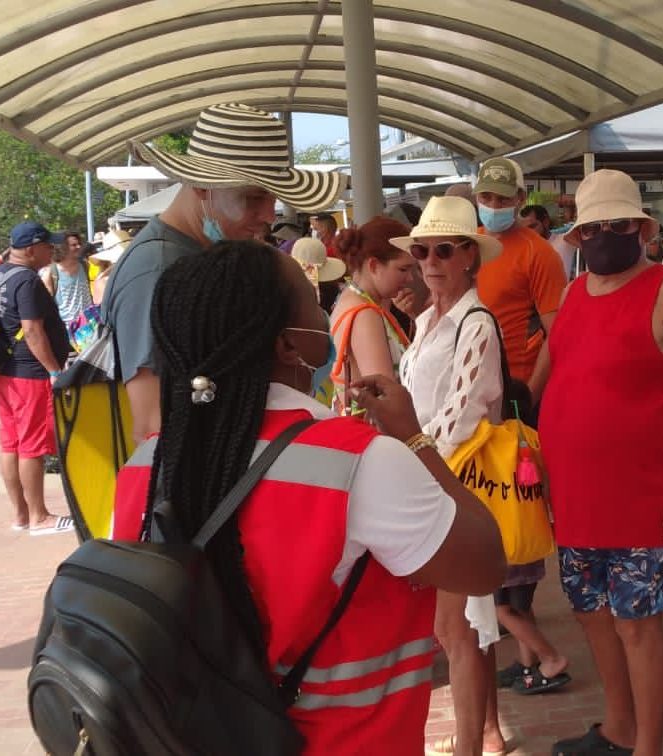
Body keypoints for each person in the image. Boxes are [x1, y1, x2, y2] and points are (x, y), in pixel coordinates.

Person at [108, 241, 507, 755]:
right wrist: (414, 439)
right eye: (310, 298)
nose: (325, 308)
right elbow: (484, 565)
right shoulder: (360, 461)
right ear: (289, 345)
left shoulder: (146, 465)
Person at [539, 169, 663, 756]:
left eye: (617, 224)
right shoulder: (571, 296)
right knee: (592, 616)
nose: (604, 236)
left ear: (642, 229)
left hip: (645, 498)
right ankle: (618, 729)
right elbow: (546, 381)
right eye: (592, 227)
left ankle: (648, 747)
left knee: (637, 626)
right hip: (575, 498)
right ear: (577, 237)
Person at [104, 103, 344, 443]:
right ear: (202, 186)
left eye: (271, 197)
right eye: (252, 197)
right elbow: (152, 425)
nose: (268, 214)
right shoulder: (157, 270)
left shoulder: (209, 256)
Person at [391, 197, 517, 756]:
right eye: (422, 250)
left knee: (455, 628)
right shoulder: (424, 322)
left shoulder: (477, 322)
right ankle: (485, 732)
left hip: (454, 485)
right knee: (469, 622)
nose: (431, 260)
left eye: (445, 249)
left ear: (470, 256)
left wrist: (404, 450)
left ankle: (470, 745)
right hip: (430, 478)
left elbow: (461, 414)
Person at [0, 222, 74, 535]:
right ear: (30, 249)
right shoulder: (26, 281)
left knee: (10, 443)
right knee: (32, 446)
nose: (51, 251)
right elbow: (32, 330)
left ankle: (21, 515)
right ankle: (40, 517)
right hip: (30, 374)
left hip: (6, 373)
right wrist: (54, 370)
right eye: (46, 246)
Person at [470, 158, 567, 395]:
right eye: (486, 197)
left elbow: (557, 334)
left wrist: (529, 395)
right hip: (467, 384)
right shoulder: (468, 244)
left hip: (513, 387)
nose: (493, 206)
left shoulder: (539, 253)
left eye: (503, 198)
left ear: (521, 198)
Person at [328, 216, 416, 404]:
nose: (410, 279)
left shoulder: (351, 298)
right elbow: (386, 398)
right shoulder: (365, 314)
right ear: (374, 265)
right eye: (403, 269)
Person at [40, 232, 96, 326]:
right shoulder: (50, 273)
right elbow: (46, 306)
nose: (79, 247)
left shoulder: (85, 265)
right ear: (62, 248)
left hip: (89, 323)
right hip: (67, 328)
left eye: (79, 244)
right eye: (74, 245)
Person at [520, 204, 574, 280]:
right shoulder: (525, 250)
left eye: (532, 226)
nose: (529, 232)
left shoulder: (565, 241)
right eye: (525, 229)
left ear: (546, 221)